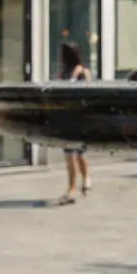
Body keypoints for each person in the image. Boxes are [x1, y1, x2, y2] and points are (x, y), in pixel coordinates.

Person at [58, 41, 91, 203]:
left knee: (75, 154)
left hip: (78, 118)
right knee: (74, 154)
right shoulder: (63, 73)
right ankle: (81, 182)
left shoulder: (81, 72)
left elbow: (88, 92)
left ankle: (74, 187)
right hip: (66, 117)